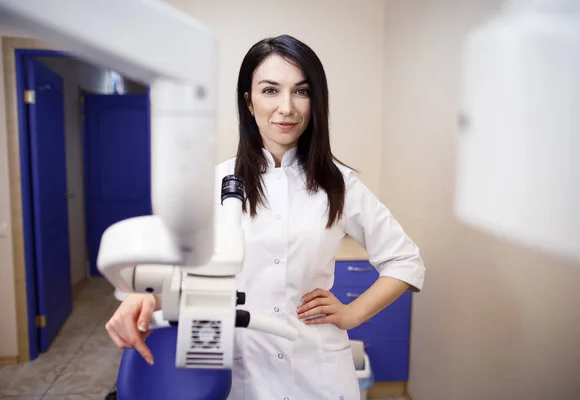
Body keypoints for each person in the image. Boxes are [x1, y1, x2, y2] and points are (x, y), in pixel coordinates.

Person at [105, 34, 425, 399]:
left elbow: (406, 260)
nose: (286, 108)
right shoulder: (212, 184)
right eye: (270, 90)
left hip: (318, 370)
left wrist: (353, 314)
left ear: (316, 101)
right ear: (249, 100)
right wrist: (143, 298)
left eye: (301, 91)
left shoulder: (339, 184)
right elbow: (179, 275)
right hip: (243, 368)